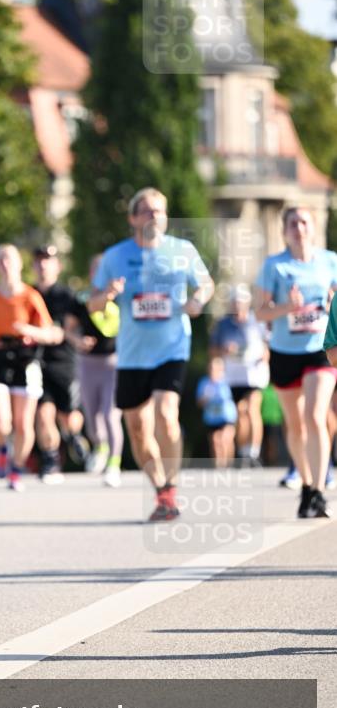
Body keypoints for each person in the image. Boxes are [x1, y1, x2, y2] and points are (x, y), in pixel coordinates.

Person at [90, 187, 214, 521]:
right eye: (145, 210)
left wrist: (197, 301)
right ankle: (160, 489)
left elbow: (206, 284)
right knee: (138, 430)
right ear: (132, 218)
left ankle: (171, 487)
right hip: (132, 354)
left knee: (166, 414)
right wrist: (108, 295)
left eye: (159, 211)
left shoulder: (182, 250)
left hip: (172, 347)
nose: (153, 216)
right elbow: (92, 303)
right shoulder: (115, 256)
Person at [254, 206, 337, 518]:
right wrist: (287, 307)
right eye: (292, 223)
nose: (298, 228)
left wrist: (332, 305)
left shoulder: (331, 261)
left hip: (321, 349)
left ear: (312, 227)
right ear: (284, 230)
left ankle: (318, 490)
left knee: (316, 416)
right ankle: (305, 484)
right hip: (285, 351)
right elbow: (260, 312)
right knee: (296, 424)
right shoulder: (274, 266)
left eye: (304, 222)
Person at [0, 244, 60, 491]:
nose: (5, 264)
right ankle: (2, 448)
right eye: (1, 259)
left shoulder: (30, 296)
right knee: (2, 421)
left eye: (10, 259)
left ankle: (16, 468)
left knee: (24, 424)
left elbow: (51, 334)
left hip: (25, 359)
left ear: (19, 264)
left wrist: (29, 331)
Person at [64, 254, 124, 487]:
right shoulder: (81, 298)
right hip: (88, 364)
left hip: (115, 363)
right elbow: (68, 330)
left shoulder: (121, 299)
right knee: (92, 418)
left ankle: (114, 465)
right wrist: (78, 340)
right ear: (91, 274)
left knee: (111, 414)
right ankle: (100, 446)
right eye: (96, 271)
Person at [32, 245, 89, 483]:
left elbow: (84, 322)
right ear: (34, 265)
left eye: (49, 260)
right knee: (44, 415)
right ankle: (50, 460)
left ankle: (74, 435)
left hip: (64, 362)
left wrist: (76, 336)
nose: (44, 264)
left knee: (69, 416)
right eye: (39, 260)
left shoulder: (68, 296)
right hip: (36, 362)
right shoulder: (29, 294)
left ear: (58, 265)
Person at [210, 284, 269, 466]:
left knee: (252, 409)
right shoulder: (222, 325)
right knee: (240, 414)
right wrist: (225, 350)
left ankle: (254, 451)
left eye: (240, 302)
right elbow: (213, 351)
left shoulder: (256, 322)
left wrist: (260, 356)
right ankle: (244, 452)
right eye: (234, 303)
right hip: (232, 376)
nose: (237, 306)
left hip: (253, 374)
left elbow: (267, 348)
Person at [196, 356, 237, 467]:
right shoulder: (204, 383)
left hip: (227, 416)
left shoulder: (227, 381)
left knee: (226, 439)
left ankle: (229, 463)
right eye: (211, 368)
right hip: (212, 417)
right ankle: (219, 464)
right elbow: (199, 402)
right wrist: (206, 397)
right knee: (215, 440)